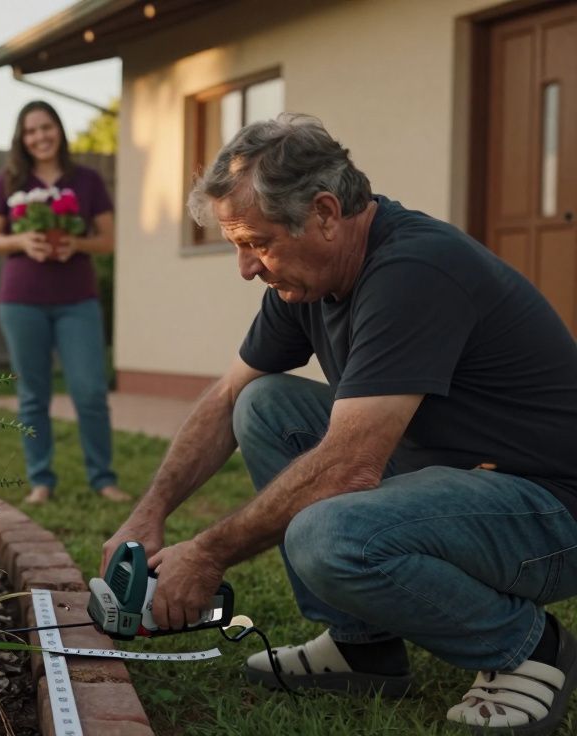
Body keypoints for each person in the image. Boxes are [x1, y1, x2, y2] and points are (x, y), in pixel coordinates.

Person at [102, 113, 577, 733]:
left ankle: (527, 650)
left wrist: (207, 555)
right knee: (263, 403)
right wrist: (151, 511)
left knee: (328, 534)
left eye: (256, 242)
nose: (247, 268)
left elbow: (350, 466)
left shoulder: (415, 270)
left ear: (325, 213)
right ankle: (363, 647)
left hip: (549, 511)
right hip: (464, 479)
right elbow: (226, 398)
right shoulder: (305, 282)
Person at [0, 100, 129, 506]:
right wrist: (21, 240)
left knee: (90, 391)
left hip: (77, 301)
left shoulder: (87, 180)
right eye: (30, 131)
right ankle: (41, 481)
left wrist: (74, 244)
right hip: (21, 301)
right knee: (33, 395)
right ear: (22, 138)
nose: (39, 137)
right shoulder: (10, 180)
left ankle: (103, 479)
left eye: (46, 128)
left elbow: (108, 240)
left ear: (59, 131)